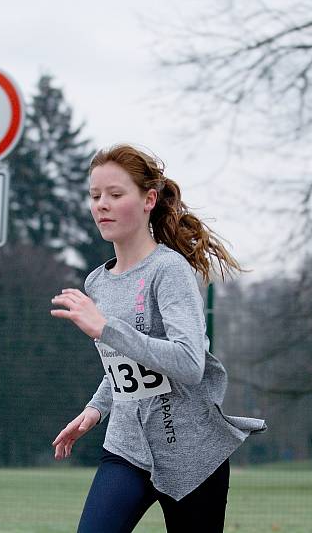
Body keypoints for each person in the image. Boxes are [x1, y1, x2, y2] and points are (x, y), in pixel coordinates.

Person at [50, 144, 266, 533]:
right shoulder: (96, 282)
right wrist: (96, 409)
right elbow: (122, 362)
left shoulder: (169, 271)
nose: (102, 205)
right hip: (126, 448)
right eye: (95, 196)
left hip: (191, 452)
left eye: (115, 195)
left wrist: (105, 327)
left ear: (149, 199)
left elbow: (188, 362)